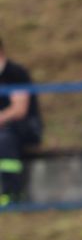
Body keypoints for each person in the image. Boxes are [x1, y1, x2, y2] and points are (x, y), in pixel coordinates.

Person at [0, 35, 41, 205]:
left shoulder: (15, 73)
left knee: (4, 139)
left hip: (26, 126)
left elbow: (20, 110)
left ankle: (13, 193)